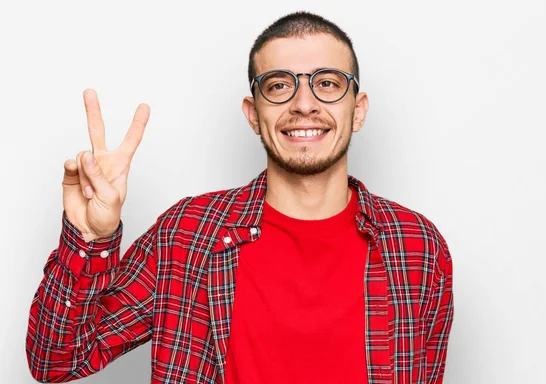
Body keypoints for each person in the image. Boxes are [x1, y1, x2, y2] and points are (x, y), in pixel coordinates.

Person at [26, 11, 454, 384]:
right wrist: (89, 240)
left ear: (357, 110)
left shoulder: (417, 246)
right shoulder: (187, 234)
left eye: (326, 83)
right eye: (278, 85)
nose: (304, 104)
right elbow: (56, 361)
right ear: (253, 114)